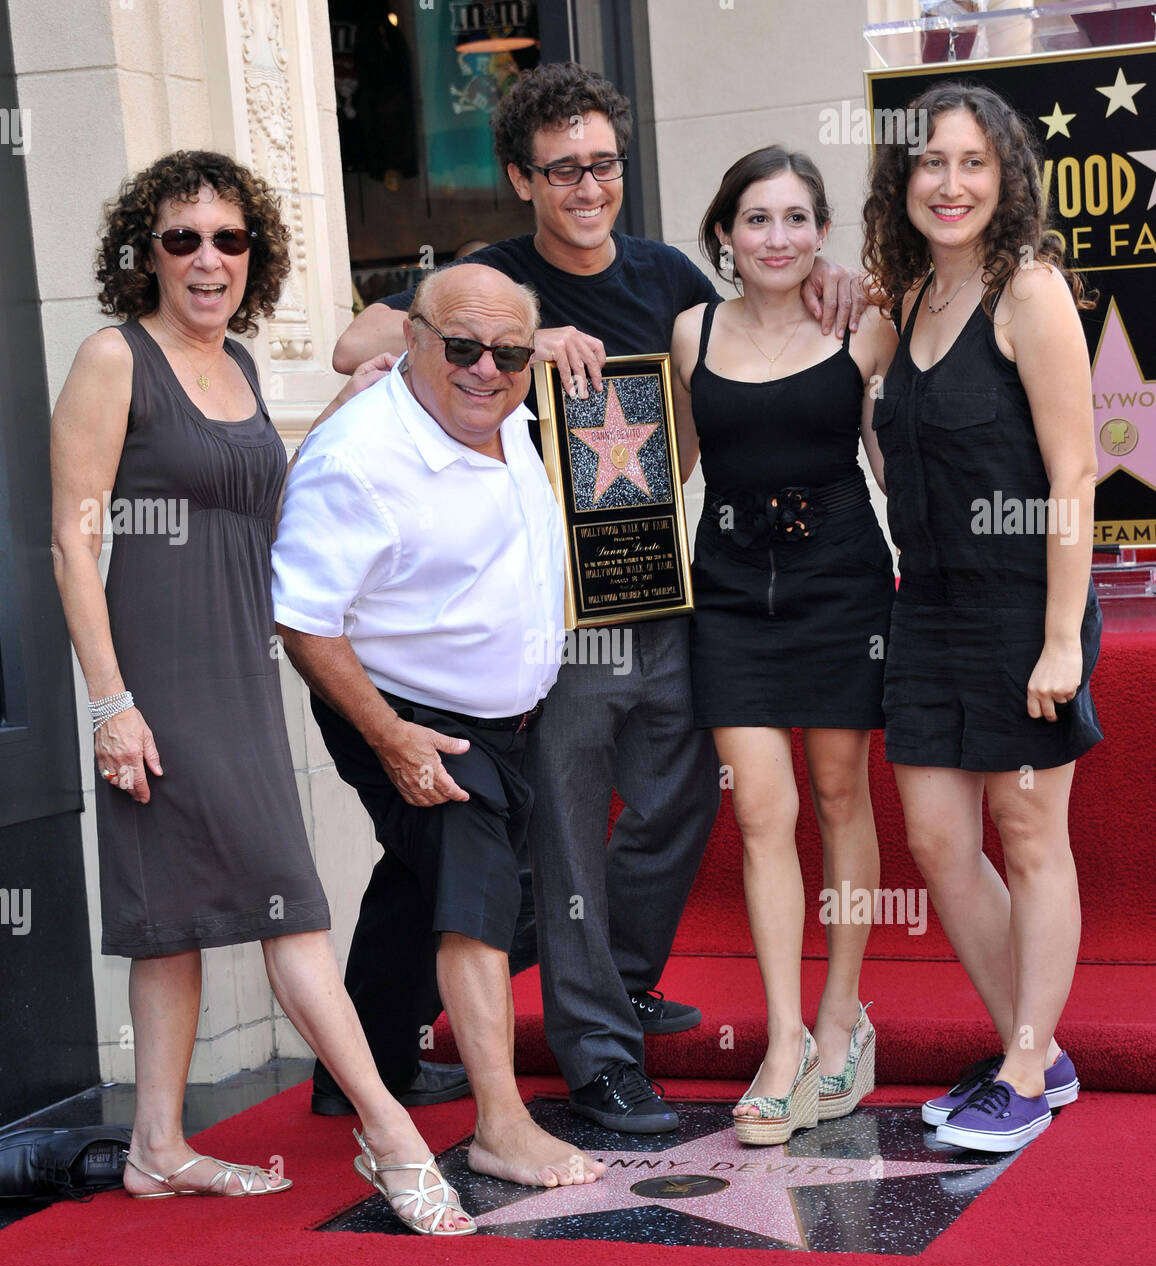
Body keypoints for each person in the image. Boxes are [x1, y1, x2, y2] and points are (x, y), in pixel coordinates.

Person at [329, 62, 867, 1133]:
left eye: (604, 165)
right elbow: (355, 343)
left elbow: (748, 344)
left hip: (665, 588)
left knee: (682, 800)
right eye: (562, 170)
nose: (587, 187)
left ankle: (612, 973)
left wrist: (827, 280)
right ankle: (596, 1049)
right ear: (524, 180)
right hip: (552, 610)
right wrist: (516, 336)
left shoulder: (668, 273)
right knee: (570, 828)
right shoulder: (490, 274)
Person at [50, 150, 474, 1234]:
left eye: (228, 239)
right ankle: (391, 1133)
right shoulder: (114, 356)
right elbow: (72, 536)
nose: (207, 259)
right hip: (159, 679)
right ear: (144, 251)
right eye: (182, 238)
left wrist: (341, 409)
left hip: (243, 671)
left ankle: (156, 1148)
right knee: (291, 900)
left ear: (254, 255)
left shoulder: (235, 363)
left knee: (171, 920)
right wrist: (111, 700)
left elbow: (272, 511)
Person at [272, 261, 605, 1188]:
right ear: (410, 340)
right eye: (461, 347)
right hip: (410, 712)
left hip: (502, 714)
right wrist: (392, 738)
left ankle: (366, 1070)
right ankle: (502, 1124)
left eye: (508, 351)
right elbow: (303, 619)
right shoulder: (359, 455)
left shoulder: (509, 410)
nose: (486, 369)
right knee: (478, 898)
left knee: (429, 883)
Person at [862, 84, 1101, 1153]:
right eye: (929, 164)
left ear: (1004, 179)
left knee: (1026, 832)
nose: (948, 184)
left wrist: (1059, 636)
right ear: (901, 181)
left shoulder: (1028, 290)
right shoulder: (906, 297)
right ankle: (1034, 1051)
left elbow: (1074, 468)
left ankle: (1022, 1061)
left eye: (971, 164)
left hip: (1022, 607)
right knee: (938, 839)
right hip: (928, 608)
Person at [670, 148, 897, 1144]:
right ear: (724, 232)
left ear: (822, 231)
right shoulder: (690, 330)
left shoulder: (862, 322)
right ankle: (782, 1040)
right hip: (725, 592)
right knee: (763, 812)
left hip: (842, 583)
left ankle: (843, 1017)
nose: (777, 238)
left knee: (842, 797)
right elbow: (660, 462)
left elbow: (897, 462)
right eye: (756, 219)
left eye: (797, 219)